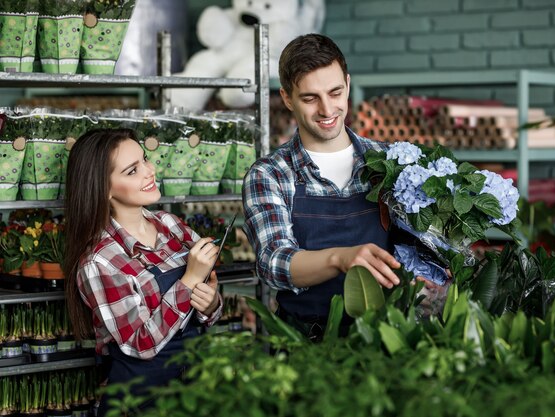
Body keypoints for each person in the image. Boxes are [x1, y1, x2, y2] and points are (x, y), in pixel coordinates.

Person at [242, 33, 404, 340]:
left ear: (348, 84)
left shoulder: (388, 160)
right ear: (287, 98)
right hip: (307, 343)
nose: (327, 110)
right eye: (310, 98)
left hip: (387, 337)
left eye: (335, 92)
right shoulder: (270, 174)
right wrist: (340, 258)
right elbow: (274, 261)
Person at [63, 128, 222, 416]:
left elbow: (209, 307)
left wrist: (211, 304)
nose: (150, 171)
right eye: (132, 170)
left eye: (145, 160)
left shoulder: (171, 224)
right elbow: (140, 344)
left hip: (198, 387)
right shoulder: (100, 262)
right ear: (104, 188)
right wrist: (189, 280)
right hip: (141, 400)